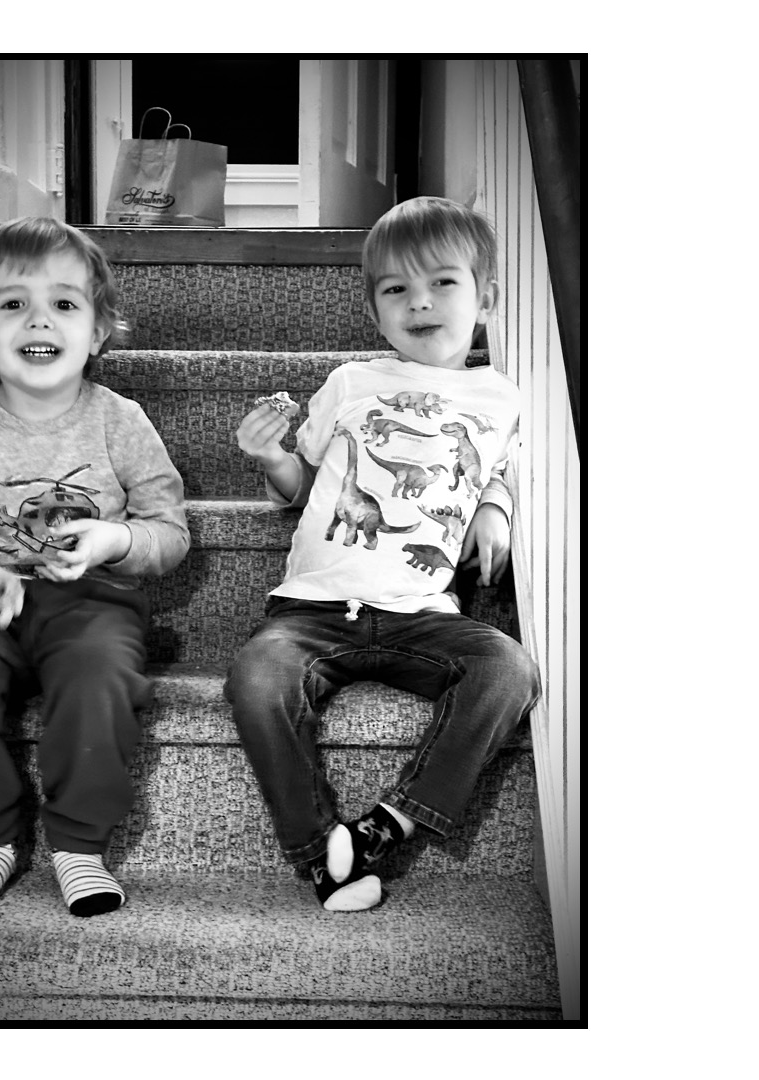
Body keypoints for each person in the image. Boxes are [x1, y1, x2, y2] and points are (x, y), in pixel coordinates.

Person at [225, 197, 540, 911]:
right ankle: (320, 853)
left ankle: (384, 827)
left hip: (421, 614)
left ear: (486, 299)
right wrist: (269, 458)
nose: (419, 301)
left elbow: (500, 470)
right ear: (375, 312)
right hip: (312, 609)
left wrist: (495, 510)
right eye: (397, 288)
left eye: (442, 283)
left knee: (508, 669)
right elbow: (300, 487)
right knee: (255, 677)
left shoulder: (505, 399)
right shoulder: (350, 382)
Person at [0, 217, 189, 918]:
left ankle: (79, 845)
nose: (39, 319)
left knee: (99, 679)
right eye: (13, 303)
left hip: (92, 601)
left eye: (63, 303)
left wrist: (112, 540)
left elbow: (169, 531)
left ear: (97, 331)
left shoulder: (121, 420)